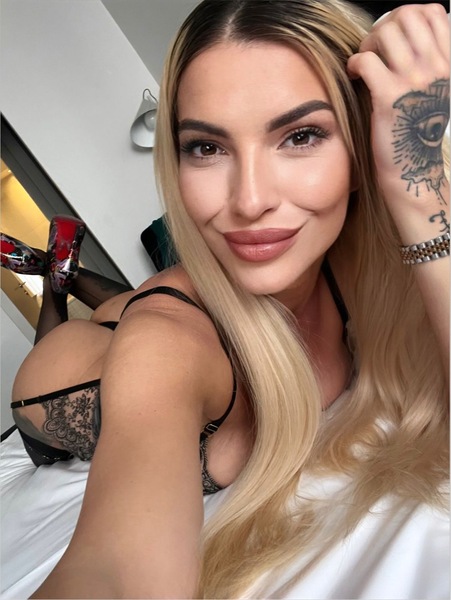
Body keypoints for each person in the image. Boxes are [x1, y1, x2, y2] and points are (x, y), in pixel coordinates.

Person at [3, 0, 450, 597]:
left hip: (158, 310)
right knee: (92, 325)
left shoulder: (359, 263)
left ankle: (64, 266)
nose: (249, 200)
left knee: (132, 303)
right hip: (61, 379)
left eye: (301, 135)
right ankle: (53, 283)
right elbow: (112, 574)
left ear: (362, 140)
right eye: (207, 147)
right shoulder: (164, 348)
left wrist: (420, 187)